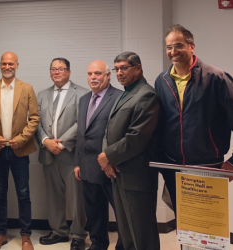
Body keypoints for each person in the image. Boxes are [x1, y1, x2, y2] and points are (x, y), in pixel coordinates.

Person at [154, 24, 233, 214]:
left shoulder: (217, 78)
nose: (173, 51)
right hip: (172, 164)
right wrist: (159, 155)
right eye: (169, 47)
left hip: (207, 166)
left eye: (179, 46)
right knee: (184, 225)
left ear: (192, 46)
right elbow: (160, 123)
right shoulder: (162, 80)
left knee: (207, 226)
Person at [98, 52, 160, 250]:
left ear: (138, 68)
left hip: (137, 175)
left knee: (142, 234)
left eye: (124, 68)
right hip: (119, 172)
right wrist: (107, 160)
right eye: (116, 69)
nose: (119, 73)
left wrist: (107, 155)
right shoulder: (125, 93)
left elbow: (137, 138)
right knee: (126, 232)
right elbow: (110, 131)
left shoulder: (146, 95)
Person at [0, 52, 40, 250]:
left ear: (17, 65)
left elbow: (34, 119)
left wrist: (21, 140)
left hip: (19, 151)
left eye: (11, 63)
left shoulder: (27, 88)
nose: (8, 66)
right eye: (4, 63)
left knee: (23, 194)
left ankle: (26, 236)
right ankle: (1, 233)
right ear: (0, 65)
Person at [35, 58, 87, 250]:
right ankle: (58, 231)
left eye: (61, 69)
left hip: (71, 154)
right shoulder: (41, 95)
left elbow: (82, 122)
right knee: (53, 196)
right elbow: (35, 122)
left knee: (76, 198)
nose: (57, 72)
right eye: (53, 69)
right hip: (48, 153)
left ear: (69, 72)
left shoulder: (82, 94)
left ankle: (79, 235)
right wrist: (45, 141)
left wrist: (62, 143)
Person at [74, 60, 124, 250]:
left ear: (108, 75)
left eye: (97, 73)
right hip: (88, 167)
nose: (93, 77)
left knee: (121, 212)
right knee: (94, 211)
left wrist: (112, 159)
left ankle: (123, 245)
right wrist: (78, 162)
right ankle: (98, 243)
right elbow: (82, 133)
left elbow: (119, 133)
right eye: (90, 74)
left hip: (110, 167)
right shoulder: (84, 99)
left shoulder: (119, 97)